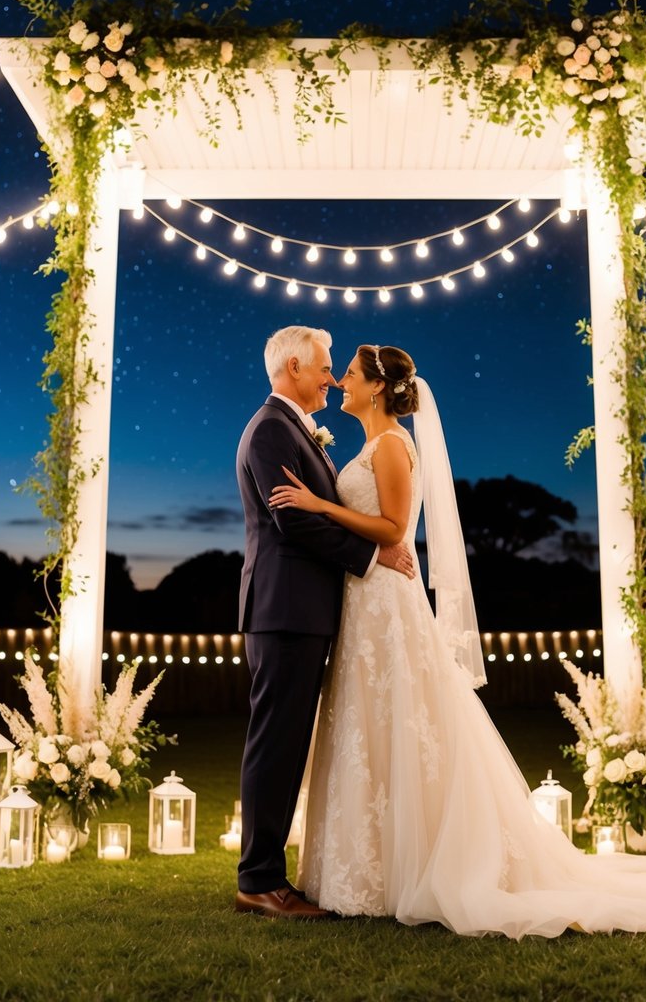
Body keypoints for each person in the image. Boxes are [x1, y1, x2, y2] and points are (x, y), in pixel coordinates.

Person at [268, 344, 646, 938]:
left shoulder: (393, 444)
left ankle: (416, 865)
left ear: (375, 387)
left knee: (402, 719)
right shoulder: (371, 444)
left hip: (388, 603)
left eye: (349, 375)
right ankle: (365, 868)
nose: (339, 381)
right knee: (368, 723)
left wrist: (319, 504)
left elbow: (396, 530)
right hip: (364, 601)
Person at [234, 326, 414, 920]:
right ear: (293, 366)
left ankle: (268, 875)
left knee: (287, 745)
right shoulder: (271, 431)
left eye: (340, 371)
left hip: (304, 611)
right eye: (325, 369)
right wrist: (373, 556)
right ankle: (258, 880)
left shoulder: (293, 430)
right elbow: (296, 523)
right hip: (285, 610)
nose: (332, 379)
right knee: (277, 743)